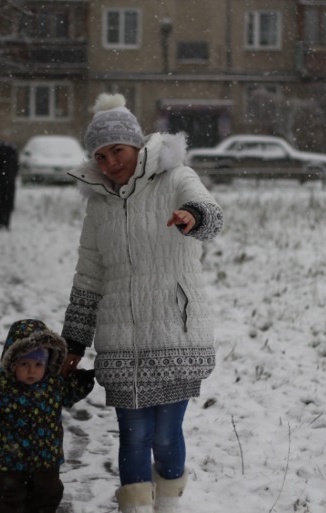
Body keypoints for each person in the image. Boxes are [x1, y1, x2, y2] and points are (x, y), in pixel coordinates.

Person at [59, 94, 224, 513]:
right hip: (120, 339)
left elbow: (212, 214)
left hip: (177, 332)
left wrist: (193, 217)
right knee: (132, 435)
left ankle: (168, 504)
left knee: (165, 436)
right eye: (101, 155)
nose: (111, 162)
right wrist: (74, 341)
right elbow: (88, 277)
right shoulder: (98, 206)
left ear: (136, 145)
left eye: (117, 150)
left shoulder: (176, 177)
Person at [0, 319, 95, 513]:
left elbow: (70, 392)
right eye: (24, 363)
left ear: (48, 362)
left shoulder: (54, 382)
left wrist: (84, 380)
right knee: (4, 497)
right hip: (7, 459)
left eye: (38, 364)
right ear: (12, 361)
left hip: (46, 456)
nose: (31, 370)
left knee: (48, 494)